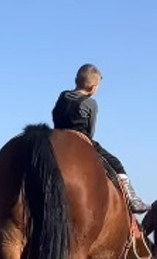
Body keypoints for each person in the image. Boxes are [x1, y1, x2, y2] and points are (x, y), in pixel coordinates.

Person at [51, 63, 148, 213]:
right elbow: (90, 130)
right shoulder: (90, 103)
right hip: (79, 138)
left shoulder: (63, 95)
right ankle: (132, 200)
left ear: (76, 80)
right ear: (93, 87)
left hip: (56, 137)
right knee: (116, 163)